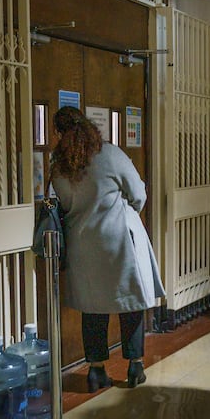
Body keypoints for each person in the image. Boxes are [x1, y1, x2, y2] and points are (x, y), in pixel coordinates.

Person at [50, 106, 165, 392]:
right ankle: (135, 366)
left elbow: (64, 205)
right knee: (131, 302)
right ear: (88, 126)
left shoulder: (59, 166)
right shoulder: (110, 154)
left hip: (82, 243)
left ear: (59, 133)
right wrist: (125, 210)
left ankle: (96, 370)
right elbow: (138, 193)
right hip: (119, 240)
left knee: (93, 306)